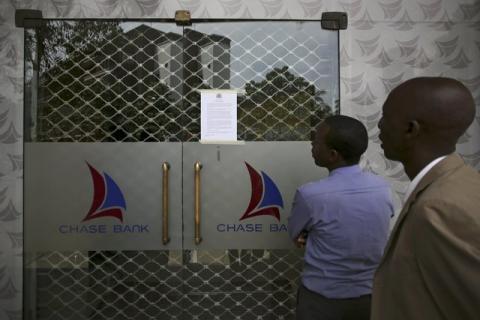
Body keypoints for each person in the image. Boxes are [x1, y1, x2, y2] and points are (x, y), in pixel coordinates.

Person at [372, 77, 480, 320]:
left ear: (411, 129)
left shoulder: (439, 208)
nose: (379, 125)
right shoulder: (460, 183)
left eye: (386, 116)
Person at [288, 115, 394, 320]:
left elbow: (296, 235)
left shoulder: (310, 195)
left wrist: (308, 233)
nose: (311, 144)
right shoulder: (383, 188)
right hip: (371, 297)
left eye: (316, 141)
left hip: (322, 302)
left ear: (333, 154)